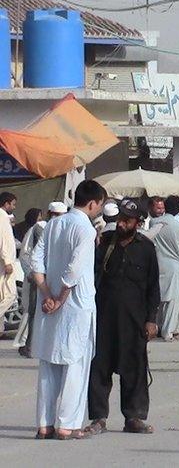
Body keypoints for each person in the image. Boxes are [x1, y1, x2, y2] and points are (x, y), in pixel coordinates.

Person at [30, 180, 106, 439]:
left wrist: (47, 294)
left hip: (49, 300)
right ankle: (67, 424)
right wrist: (59, 298)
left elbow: (34, 260)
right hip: (75, 303)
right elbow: (73, 270)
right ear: (94, 203)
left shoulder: (53, 224)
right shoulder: (85, 229)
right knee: (76, 362)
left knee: (49, 362)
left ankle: (44, 423)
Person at [86, 199, 159, 436]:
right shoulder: (104, 243)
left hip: (134, 321)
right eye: (120, 218)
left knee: (135, 369)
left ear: (137, 223)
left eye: (127, 220)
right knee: (99, 368)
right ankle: (98, 418)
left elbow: (153, 287)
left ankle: (133, 417)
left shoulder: (146, 248)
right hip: (104, 318)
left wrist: (151, 319)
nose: (121, 223)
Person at [14, 202, 67, 357]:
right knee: (34, 311)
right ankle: (30, 346)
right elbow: (26, 253)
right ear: (51, 214)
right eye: (57, 215)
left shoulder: (64, 229)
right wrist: (31, 274)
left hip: (56, 279)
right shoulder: (38, 228)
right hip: (38, 279)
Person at [152, 196, 179, 342]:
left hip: (157, 262)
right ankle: (167, 331)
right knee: (173, 300)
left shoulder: (154, 222)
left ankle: (156, 327)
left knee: (157, 298)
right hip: (175, 265)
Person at [0, 192, 17, 321]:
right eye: (13, 204)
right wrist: (7, 262)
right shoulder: (2, 217)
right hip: (5, 262)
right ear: (6, 204)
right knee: (10, 294)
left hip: (4, 261)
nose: (14, 207)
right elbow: (3, 240)